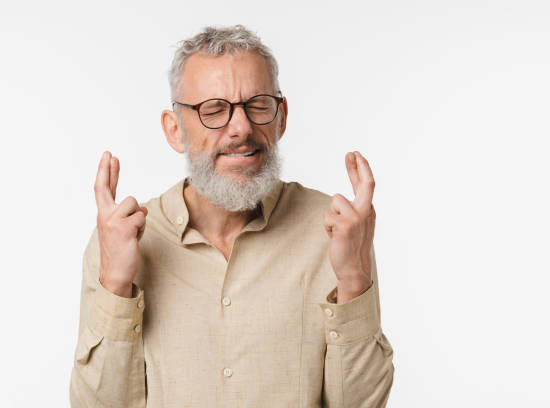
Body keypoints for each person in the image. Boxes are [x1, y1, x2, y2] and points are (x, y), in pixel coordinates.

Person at [69, 24, 394, 407]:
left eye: (257, 105)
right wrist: (115, 285)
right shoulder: (121, 240)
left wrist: (354, 280)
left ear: (281, 117)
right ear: (174, 130)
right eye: (214, 110)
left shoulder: (337, 232)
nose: (241, 128)